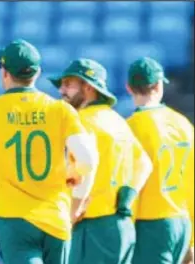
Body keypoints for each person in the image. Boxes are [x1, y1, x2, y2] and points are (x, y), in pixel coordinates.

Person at [0, 39, 99, 264]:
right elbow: (88, 160)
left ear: (5, 73)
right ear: (37, 73)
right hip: (55, 217)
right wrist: (73, 171)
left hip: (15, 221)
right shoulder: (61, 110)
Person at [49, 59, 153, 264]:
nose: (61, 90)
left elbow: (77, 172)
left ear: (88, 87)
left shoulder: (78, 122)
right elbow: (144, 163)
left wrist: (69, 211)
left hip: (91, 226)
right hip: (121, 226)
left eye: (68, 84)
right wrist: (127, 196)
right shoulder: (117, 120)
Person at [125, 57, 194, 264]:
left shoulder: (129, 128)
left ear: (129, 88)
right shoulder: (183, 124)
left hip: (149, 223)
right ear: (159, 85)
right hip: (181, 220)